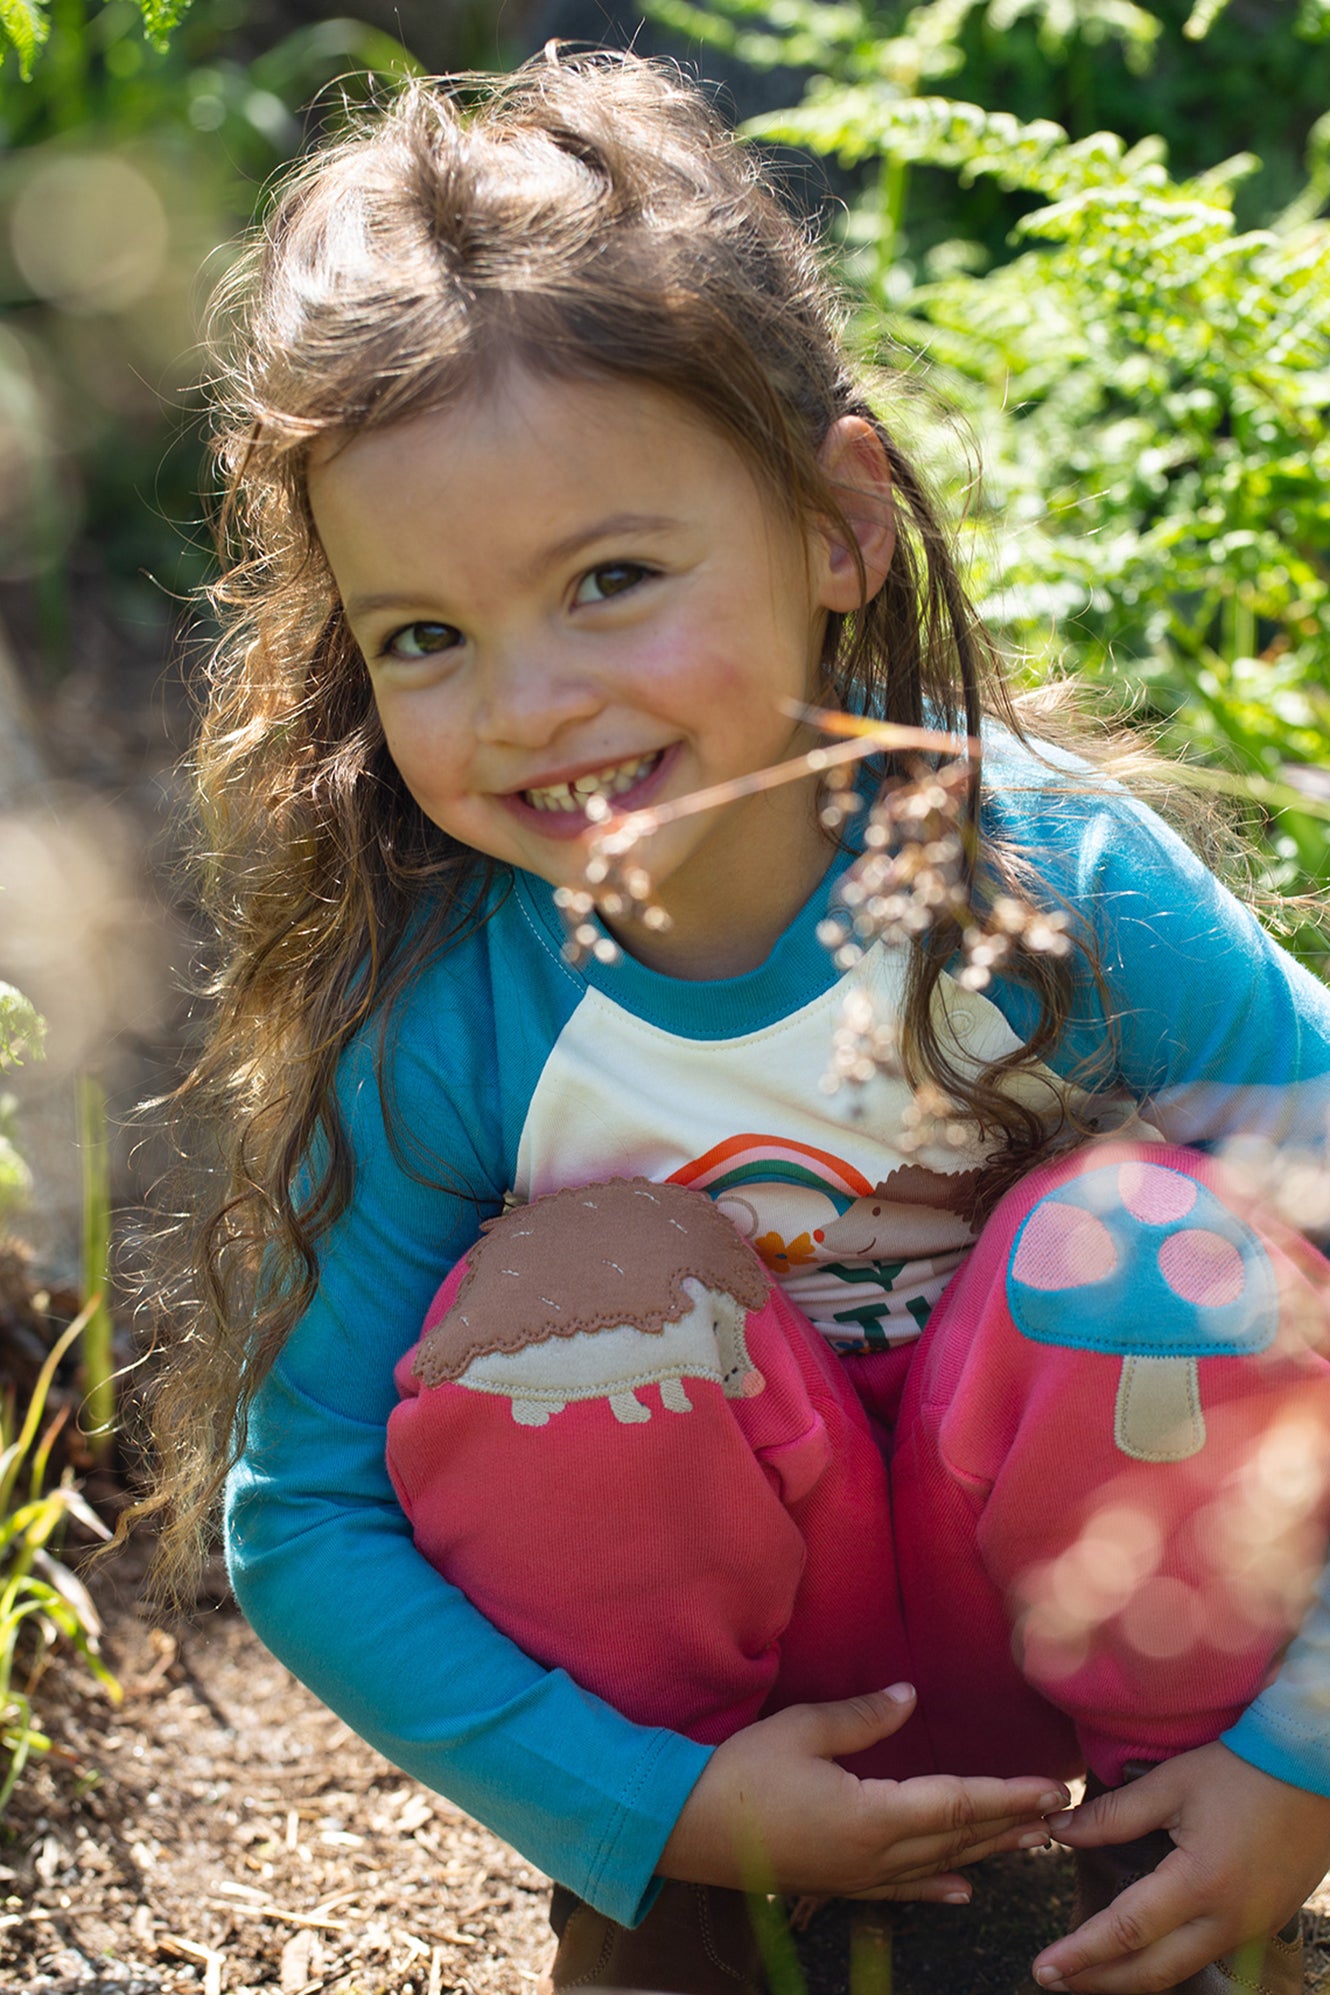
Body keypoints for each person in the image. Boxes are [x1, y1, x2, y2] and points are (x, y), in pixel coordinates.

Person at [142, 46, 1330, 1995]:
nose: (526, 700)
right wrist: (647, 1804)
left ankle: (1162, 1886)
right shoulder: (448, 1015)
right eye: (424, 634)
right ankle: (704, 1917)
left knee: (1144, 1250)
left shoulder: (1050, 886)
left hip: (1115, 1682)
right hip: (724, 1752)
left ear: (835, 521)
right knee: (579, 1298)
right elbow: (308, 1514)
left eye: (609, 578)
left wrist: (1297, 1753)